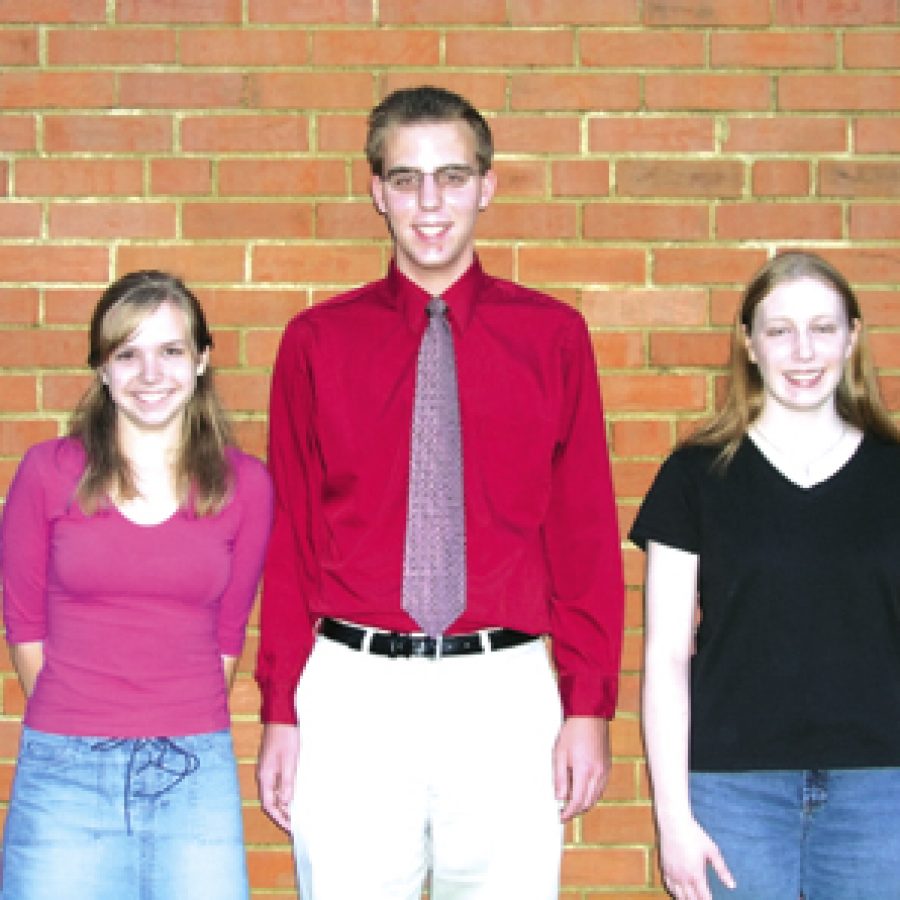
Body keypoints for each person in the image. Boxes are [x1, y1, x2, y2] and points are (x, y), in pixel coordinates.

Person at [255, 85, 624, 899]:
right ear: (376, 191)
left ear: (487, 187)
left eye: (453, 177)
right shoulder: (316, 343)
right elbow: (291, 541)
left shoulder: (552, 338)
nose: (431, 202)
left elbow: (585, 536)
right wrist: (281, 706)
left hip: (504, 692)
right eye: (408, 178)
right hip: (353, 691)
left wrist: (588, 704)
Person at [631, 251, 900, 900]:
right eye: (779, 331)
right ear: (749, 345)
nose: (803, 351)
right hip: (734, 794)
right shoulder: (694, 477)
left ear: (853, 339)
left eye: (823, 328)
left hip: (882, 793)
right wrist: (673, 818)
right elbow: (666, 656)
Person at [0, 270, 273, 900]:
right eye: (128, 354)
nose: (151, 375)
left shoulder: (245, 485)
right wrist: (91, 721)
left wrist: (165, 717)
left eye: (171, 351)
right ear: (102, 368)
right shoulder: (47, 471)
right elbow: (25, 630)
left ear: (202, 360)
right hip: (64, 771)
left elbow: (228, 640)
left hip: (192, 772)